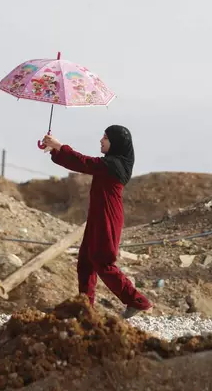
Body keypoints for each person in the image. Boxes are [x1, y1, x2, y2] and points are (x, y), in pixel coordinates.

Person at [42, 125, 153, 318]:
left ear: (116, 143)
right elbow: (81, 163)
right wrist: (55, 150)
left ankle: (138, 302)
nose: (101, 141)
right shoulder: (111, 163)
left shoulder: (114, 165)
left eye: (106, 138)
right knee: (86, 262)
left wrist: (59, 146)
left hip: (107, 217)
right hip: (97, 216)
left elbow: (83, 162)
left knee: (103, 262)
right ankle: (86, 308)